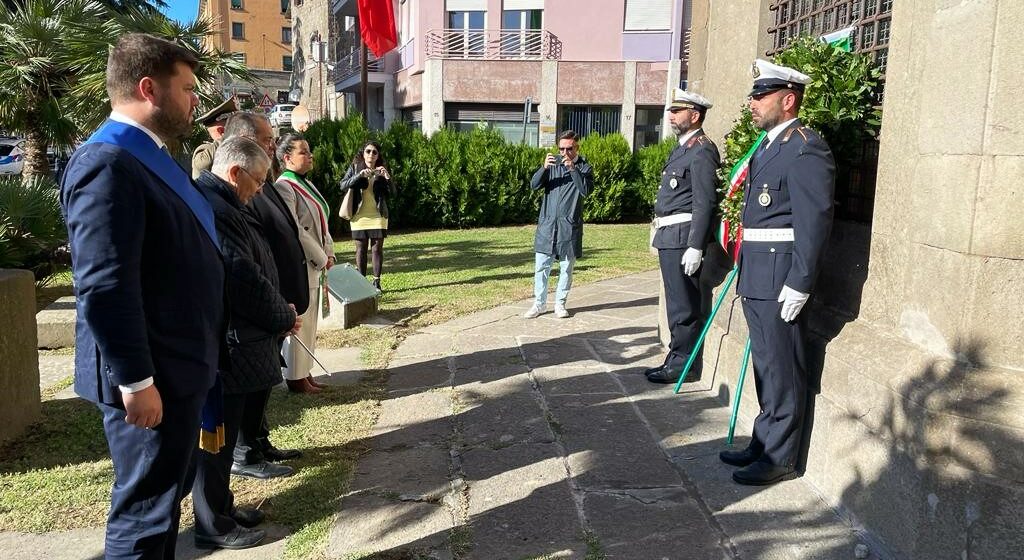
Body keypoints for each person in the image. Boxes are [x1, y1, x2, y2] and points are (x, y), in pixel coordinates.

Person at [59, 33, 224, 559]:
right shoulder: (106, 163)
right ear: (149, 88)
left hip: (179, 367)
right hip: (151, 380)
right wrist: (136, 380)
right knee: (144, 518)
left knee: (162, 506)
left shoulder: (151, 155)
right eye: (188, 89)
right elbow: (105, 286)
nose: (196, 100)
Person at [719, 59, 836, 486]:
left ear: (788, 100)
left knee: (784, 368)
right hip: (758, 273)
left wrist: (800, 282)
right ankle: (764, 439)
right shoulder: (770, 145)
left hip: (780, 276)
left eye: (760, 95)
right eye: (753, 95)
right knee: (767, 365)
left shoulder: (806, 146)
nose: (752, 103)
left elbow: (814, 220)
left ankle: (780, 456)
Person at [192, 137, 303, 550]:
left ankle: (221, 506)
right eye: (257, 181)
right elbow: (240, 275)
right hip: (229, 342)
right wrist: (281, 314)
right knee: (214, 440)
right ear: (235, 172)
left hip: (240, 339)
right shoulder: (216, 207)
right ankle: (211, 524)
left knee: (222, 436)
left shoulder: (226, 202)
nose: (259, 189)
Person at [219, 112, 314, 457]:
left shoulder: (265, 182)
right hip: (260, 308)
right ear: (241, 142)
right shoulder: (237, 191)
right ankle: (247, 449)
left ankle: (259, 441)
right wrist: (276, 306)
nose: (273, 145)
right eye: (266, 139)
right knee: (251, 384)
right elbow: (245, 260)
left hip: (276, 300)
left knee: (263, 382)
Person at [646, 89, 722, 384]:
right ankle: (675, 357)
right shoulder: (681, 148)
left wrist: (696, 245)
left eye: (678, 111)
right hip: (670, 235)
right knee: (677, 303)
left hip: (683, 237)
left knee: (684, 306)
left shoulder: (702, 149)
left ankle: (683, 365)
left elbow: (704, 202)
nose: (671, 115)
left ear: (695, 115)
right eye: (671, 111)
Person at [275, 133, 335, 389]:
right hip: (301, 264)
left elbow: (322, 220)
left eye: (309, 151)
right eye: (303, 152)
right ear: (287, 158)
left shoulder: (305, 183)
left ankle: (305, 371)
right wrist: (320, 257)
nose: (310, 156)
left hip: (316, 263)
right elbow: (295, 229)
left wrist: (329, 251)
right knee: (301, 321)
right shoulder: (284, 186)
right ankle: (295, 378)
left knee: (311, 323)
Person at [523, 130, 593, 319]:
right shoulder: (552, 164)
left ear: (576, 147)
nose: (564, 153)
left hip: (569, 226)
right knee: (541, 267)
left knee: (566, 268)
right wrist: (544, 168)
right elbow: (534, 185)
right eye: (561, 148)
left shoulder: (585, 168)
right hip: (547, 225)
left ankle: (560, 304)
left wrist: (573, 169)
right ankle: (539, 304)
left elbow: (586, 190)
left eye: (568, 149)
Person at [338, 141, 394, 291]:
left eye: (374, 152)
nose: (371, 154)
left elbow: (394, 193)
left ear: (378, 155)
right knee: (361, 249)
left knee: (377, 249)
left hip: (378, 215)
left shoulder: (382, 170)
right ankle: (362, 282)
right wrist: (359, 176)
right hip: (359, 216)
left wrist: (387, 177)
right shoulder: (356, 167)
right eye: (368, 151)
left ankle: (376, 281)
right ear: (363, 153)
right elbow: (342, 185)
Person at [191, 97, 238, 179]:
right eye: (236, 128)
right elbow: (202, 165)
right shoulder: (205, 150)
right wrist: (226, 138)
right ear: (221, 131)